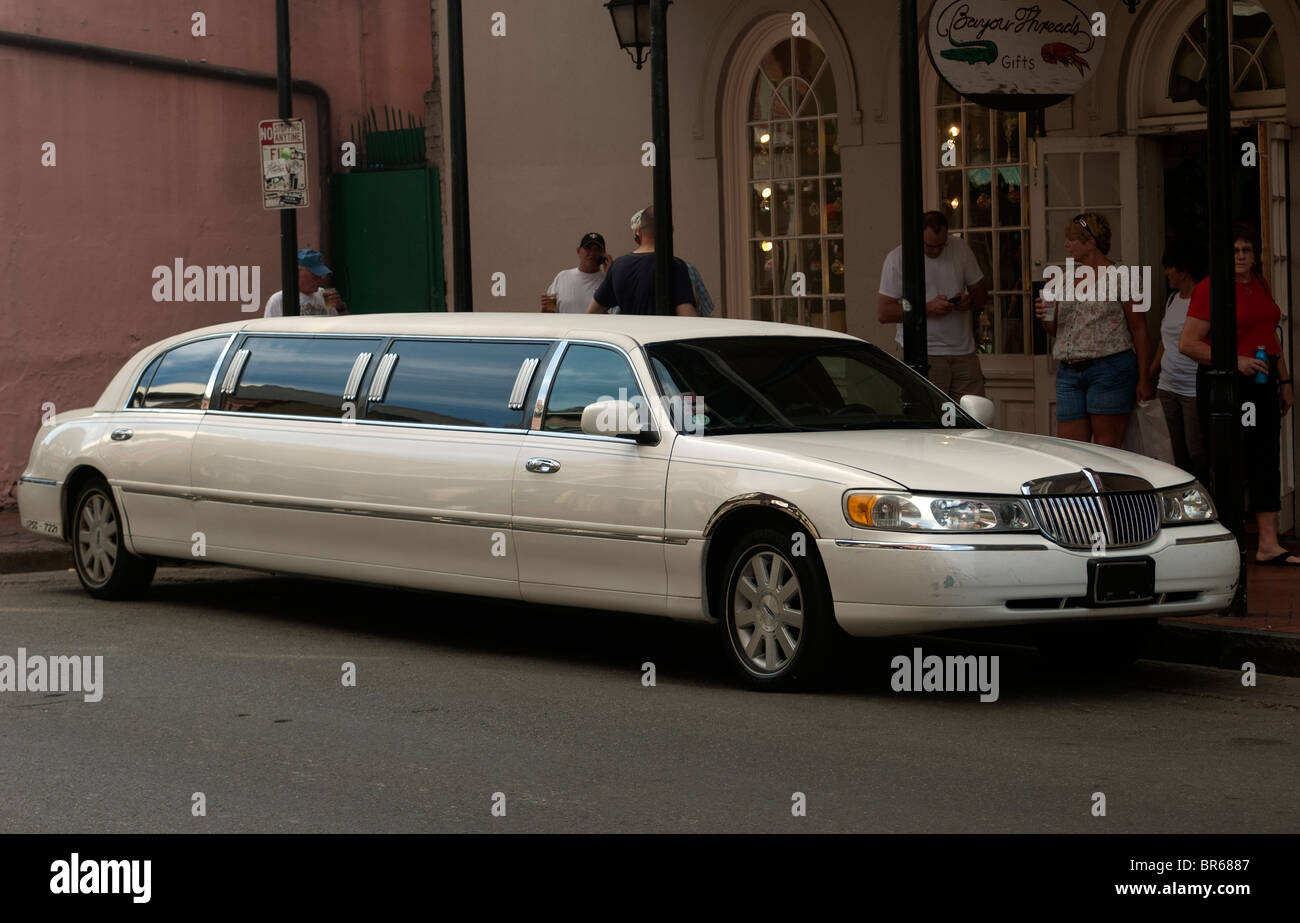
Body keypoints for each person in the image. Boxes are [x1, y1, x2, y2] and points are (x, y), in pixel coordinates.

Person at [1179, 223, 1297, 566]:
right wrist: (1235, 361)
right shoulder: (1210, 288)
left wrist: (1285, 382)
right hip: (1228, 383)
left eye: (1247, 250)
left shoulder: (1259, 283)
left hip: (1263, 380)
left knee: (1266, 458)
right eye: (1234, 251)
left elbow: (1270, 336)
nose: (1241, 257)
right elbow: (1188, 343)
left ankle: (1269, 543)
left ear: (1256, 255)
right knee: (1231, 460)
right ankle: (1228, 542)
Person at [1035, 212, 1153, 447]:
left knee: (1105, 449)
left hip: (1110, 368)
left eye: (1072, 239)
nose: (1067, 245)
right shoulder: (1064, 280)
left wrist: (1144, 378)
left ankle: (1104, 485)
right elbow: (1055, 331)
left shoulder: (1122, 277)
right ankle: (1081, 486)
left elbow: (1139, 328)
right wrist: (1046, 317)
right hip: (1069, 372)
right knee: (1072, 450)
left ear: (1091, 242)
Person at [877, 210, 989, 400]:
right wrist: (927, 308)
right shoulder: (897, 259)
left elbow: (981, 296)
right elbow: (884, 313)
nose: (936, 251)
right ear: (917, 236)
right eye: (929, 246)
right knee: (933, 416)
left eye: (941, 245)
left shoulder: (960, 249)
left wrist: (966, 301)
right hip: (925, 351)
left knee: (974, 415)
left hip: (963, 351)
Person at [1150, 243, 1207, 481]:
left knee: (1197, 449)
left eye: (1169, 268)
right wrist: (1150, 374)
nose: (1167, 273)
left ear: (1183, 271)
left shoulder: (1202, 299)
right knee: (1173, 451)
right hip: (1168, 385)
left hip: (1192, 385)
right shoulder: (1172, 299)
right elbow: (1165, 341)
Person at [588, 206, 698, 316]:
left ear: (639, 231)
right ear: (670, 230)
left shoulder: (618, 266)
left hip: (629, 332)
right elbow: (687, 316)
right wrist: (694, 300)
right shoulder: (675, 265)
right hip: (662, 332)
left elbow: (593, 311)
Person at [264, 249, 346, 317]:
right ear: (297, 273)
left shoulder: (324, 294)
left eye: (321, 275)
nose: (320, 279)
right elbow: (268, 332)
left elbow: (342, 327)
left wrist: (340, 308)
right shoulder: (279, 300)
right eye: (315, 274)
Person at [540, 232, 610, 313]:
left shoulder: (608, 281)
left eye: (596, 249)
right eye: (588, 248)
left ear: (604, 254)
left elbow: (616, 314)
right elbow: (550, 313)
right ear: (578, 251)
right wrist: (545, 308)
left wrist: (611, 273)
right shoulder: (562, 278)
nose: (592, 253)